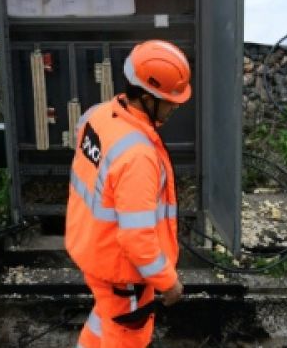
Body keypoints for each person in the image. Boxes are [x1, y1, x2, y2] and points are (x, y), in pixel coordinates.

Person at [66, 39, 191, 347]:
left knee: (105, 317)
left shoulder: (99, 115)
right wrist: (168, 281)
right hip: (124, 274)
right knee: (125, 336)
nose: (175, 105)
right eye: (170, 98)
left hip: (95, 253)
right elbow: (137, 238)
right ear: (147, 97)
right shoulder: (137, 156)